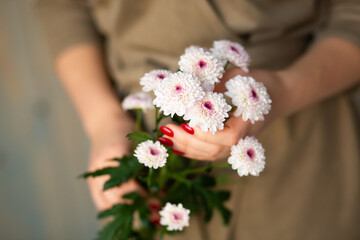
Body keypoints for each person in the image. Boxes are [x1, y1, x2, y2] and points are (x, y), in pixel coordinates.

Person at [35, 0, 360, 239]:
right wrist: (105, 121)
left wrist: (281, 91)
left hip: (304, 133)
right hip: (150, 155)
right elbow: (62, 8)